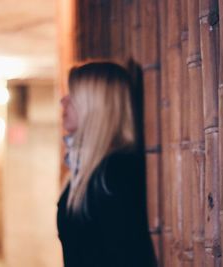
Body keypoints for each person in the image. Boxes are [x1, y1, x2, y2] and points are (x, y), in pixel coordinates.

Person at [57, 61, 157, 267]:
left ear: (96, 105)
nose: (63, 101)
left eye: (73, 95)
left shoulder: (115, 172)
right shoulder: (91, 167)